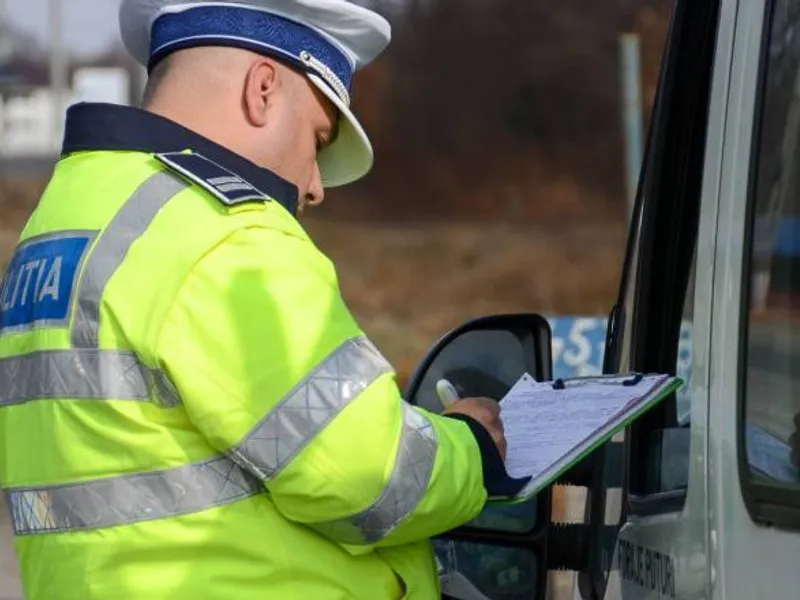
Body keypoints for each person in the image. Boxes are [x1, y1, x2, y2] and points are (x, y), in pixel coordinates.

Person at [0, 1, 528, 598]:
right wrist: (475, 446)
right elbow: (362, 473)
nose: (314, 186)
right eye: (318, 139)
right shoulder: (221, 233)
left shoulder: (64, 220)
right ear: (264, 88)